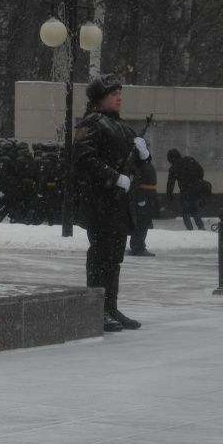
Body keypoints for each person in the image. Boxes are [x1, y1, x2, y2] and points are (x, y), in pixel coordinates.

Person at [73, 73, 147, 332]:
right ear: (100, 99)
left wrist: (143, 156)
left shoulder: (122, 126)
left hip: (118, 206)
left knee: (114, 259)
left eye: (119, 93)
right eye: (113, 94)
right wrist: (114, 178)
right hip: (100, 203)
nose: (119, 98)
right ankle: (96, 309)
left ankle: (110, 307)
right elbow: (83, 159)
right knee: (100, 257)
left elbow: (132, 162)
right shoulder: (91, 124)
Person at [128, 144, 158, 256]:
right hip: (144, 198)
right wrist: (141, 198)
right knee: (142, 224)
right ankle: (138, 247)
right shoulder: (141, 167)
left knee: (143, 223)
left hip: (147, 197)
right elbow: (136, 184)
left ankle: (137, 245)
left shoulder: (143, 166)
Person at [166, 148, 207, 230]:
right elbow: (200, 170)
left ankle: (190, 229)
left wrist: (169, 194)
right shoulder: (189, 159)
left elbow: (171, 182)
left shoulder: (173, 167)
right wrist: (199, 180)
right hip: (196, 189)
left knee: (186, 212)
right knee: (195, 210)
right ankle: (201, 227)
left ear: (171, 159)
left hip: (185, 191)